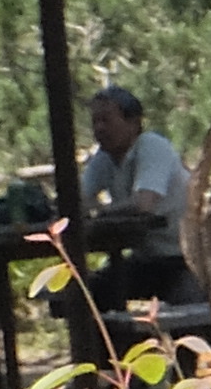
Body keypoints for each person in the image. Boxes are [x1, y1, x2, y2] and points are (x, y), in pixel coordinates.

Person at [76, 86, 194, 306]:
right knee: (91, 292)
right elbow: (79, 200)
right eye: (95, 122)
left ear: (133, 122)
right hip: (147, 257)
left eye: (106, 120)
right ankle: (108, 340)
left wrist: (97, 211)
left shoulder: (151, 146)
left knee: (188, 326)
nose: (99, 128)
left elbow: (144, 203)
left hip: (183, 257)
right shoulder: (104, 157)